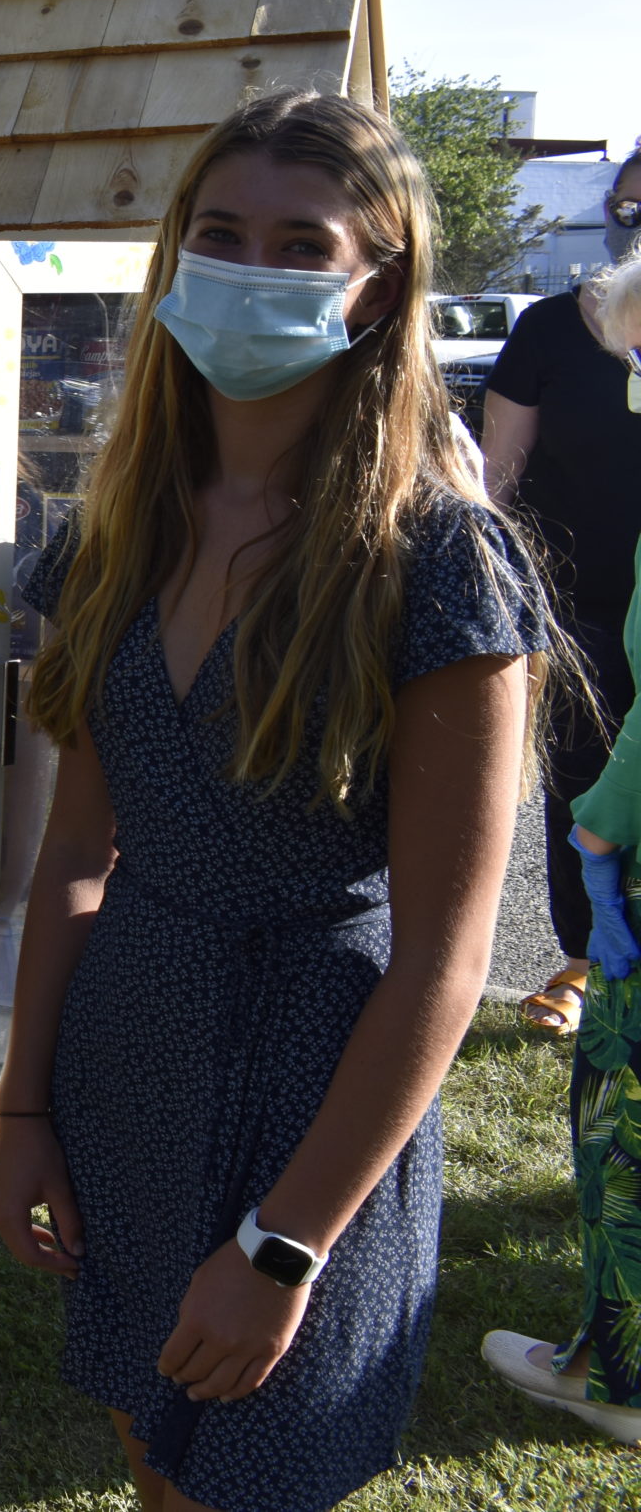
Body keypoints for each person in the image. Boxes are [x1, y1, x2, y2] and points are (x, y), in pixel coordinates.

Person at [0, 89, 559, 1512]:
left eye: (302, 244)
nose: (250, 268)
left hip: (321, 1100)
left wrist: (286, 1244)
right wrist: (25, 1104)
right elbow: (72, 852)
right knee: (147, 1449)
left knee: (251, 1482)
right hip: (126, 1062)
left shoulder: (438, 561)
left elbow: (447, 955)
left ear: (377, 289)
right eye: (220, 233)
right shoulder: (111, 537)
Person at [484, 247, 641, 1443]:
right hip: (585, 633)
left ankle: (618, 1371)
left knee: (622, 1117)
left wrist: (602, 822)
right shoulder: (549, 327)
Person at [483, 144, 641, 1032]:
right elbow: (495, 482)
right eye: (627, 208)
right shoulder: (547, 329)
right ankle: (585, 960)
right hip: (573, 601)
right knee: (583, 786)